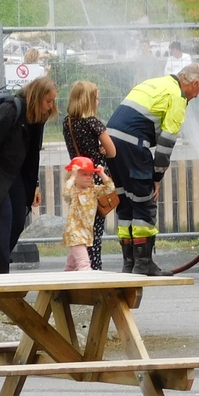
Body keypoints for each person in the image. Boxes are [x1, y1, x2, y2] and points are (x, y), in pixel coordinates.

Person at [105, 63, 199, 275]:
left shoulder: (155, 83)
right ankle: (143, 263)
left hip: (112, 142)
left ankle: (129, 263)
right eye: (198, 92)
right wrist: (156, 176)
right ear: (194, 83)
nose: (196, 97)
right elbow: (166, 143)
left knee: (125, 201)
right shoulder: (177, 96)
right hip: (134, 144)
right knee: (144, 202)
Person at [0, 76, 57, 276]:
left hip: (13, 173)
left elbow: (33, 154)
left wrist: (34, 184)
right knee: (6, 217)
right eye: (48, 101)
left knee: (19, 218)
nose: (51, 107)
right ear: (36, 97)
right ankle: (2, 275)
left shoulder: (38, 117)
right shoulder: (10, 110)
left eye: (53, 101)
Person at [62, 80, 118, 271]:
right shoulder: (93, 123)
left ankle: (76, 267)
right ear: (89, 101)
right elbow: (112, 151)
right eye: (96, 98)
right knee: (94, 229)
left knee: (79, 225)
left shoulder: (67, 122)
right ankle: (93, 268)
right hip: (94, 179)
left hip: (77, 178)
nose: (98, 102)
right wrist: (101, 151)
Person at [61, 156, 118, 271]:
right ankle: (88, 285)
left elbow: (110, 188)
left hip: (86, 233)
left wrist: (101, 174)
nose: (88, 178)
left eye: (90, 175)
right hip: (75, 233)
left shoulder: (93, 190)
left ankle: (65, 286)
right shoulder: (74, 192)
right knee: (84, 263)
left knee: (71, 266)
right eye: (84, 174)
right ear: (75, 176)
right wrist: (72, 175)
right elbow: (65, 192)